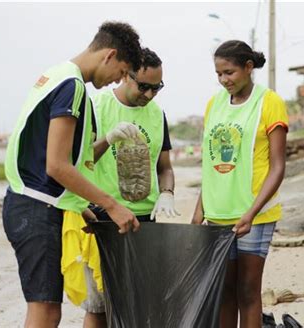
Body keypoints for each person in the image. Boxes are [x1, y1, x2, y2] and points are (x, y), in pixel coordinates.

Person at [2, 21, 143, 328]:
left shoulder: (57, 74)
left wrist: (80, 209)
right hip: (35, 208)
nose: (114, 81)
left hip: (29, 203)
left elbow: (60, 158)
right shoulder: (72, 86)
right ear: (110, 55)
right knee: (45, 311)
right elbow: (56, 165)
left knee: (47, 309)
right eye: (120, 73)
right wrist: (111, 204)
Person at [77, 47, 179, 327]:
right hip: (101, 219)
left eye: (156, 88)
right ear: (126, 75)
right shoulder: (97, 107)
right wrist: (107, 139)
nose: (149, 95)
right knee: (99, 306)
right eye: (143, 86)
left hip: (145, 222)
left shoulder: (157, 115)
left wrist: (167, 193)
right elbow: (79, 163)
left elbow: (165, 167)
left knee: (141, 302)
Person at [191, 40, 289, 328]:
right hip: (218, 214)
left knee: (247, 290)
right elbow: (209, 164)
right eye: (219, 74)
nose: (224, 80)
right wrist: (200, 209)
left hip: (254, 215)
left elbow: (278, 166)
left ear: (248, 67)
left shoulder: (269, 102)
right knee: (224, 293)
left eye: (230, 72)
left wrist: (251, 213)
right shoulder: (214, 104)